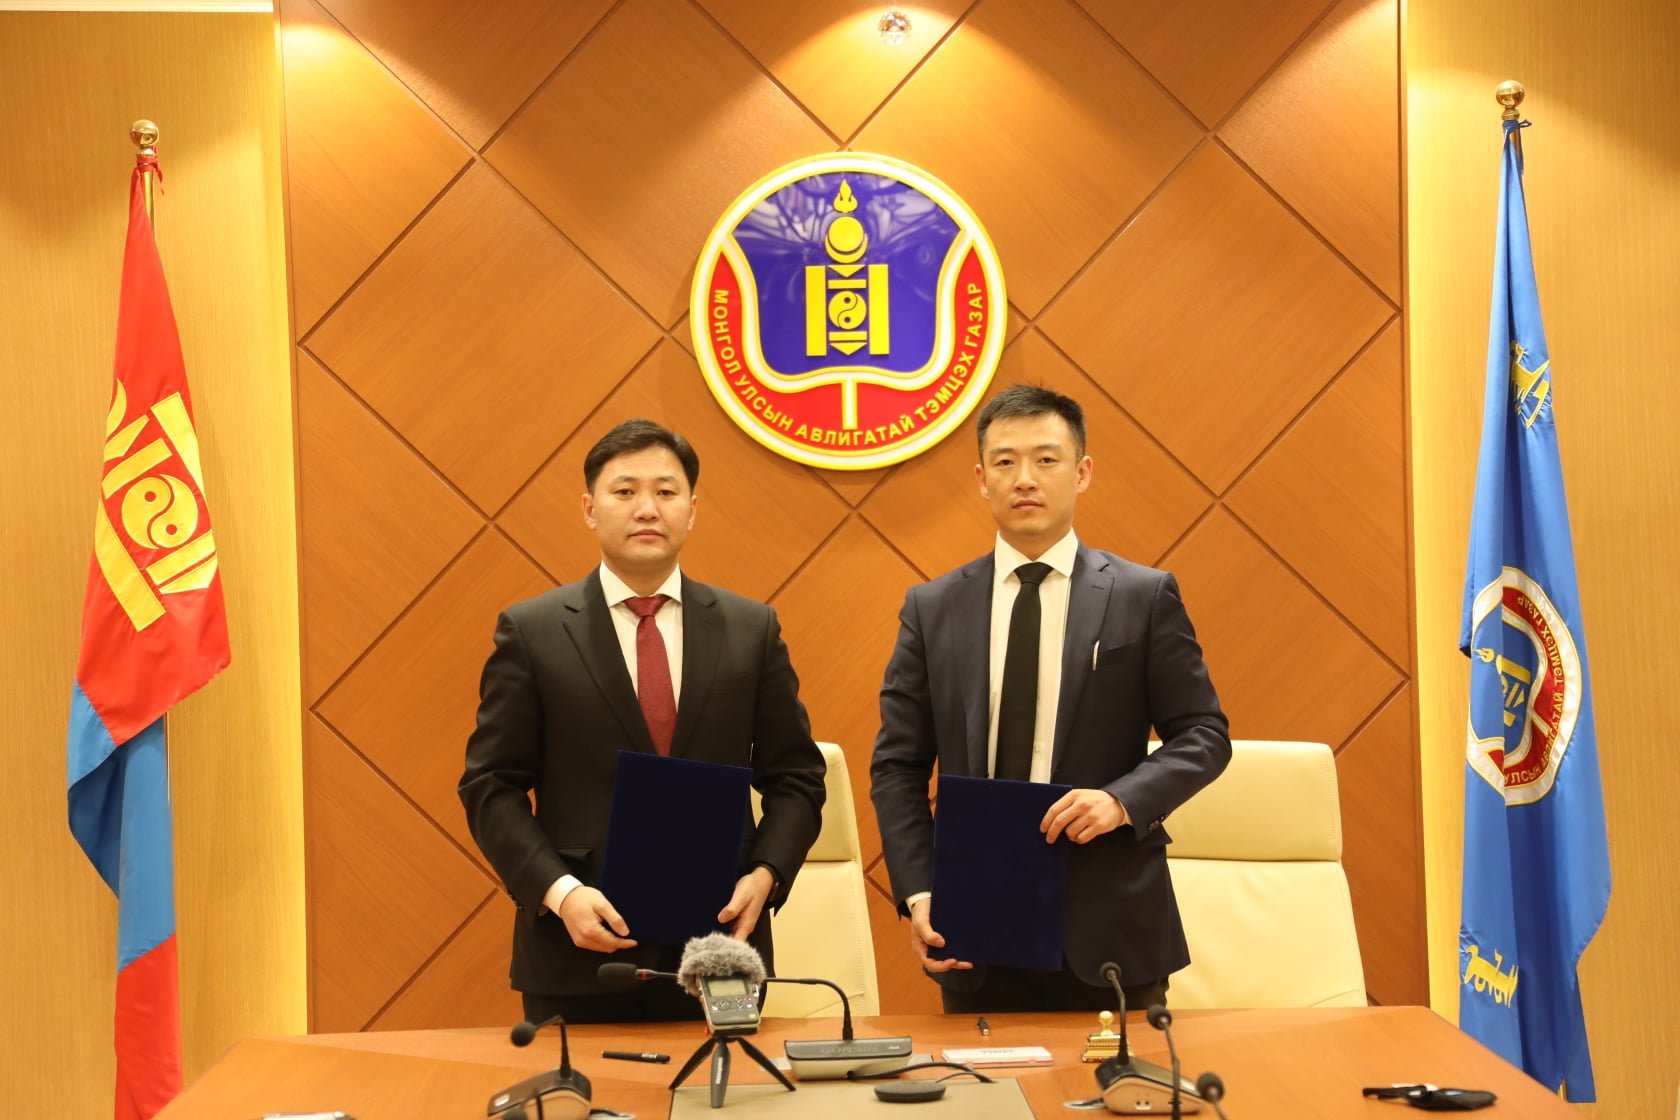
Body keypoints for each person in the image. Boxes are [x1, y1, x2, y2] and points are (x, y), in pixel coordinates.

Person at [869, 384, 1230, 1013]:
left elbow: (1204, 734)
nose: (1025, 479)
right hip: (974, 925)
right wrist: (920, 890)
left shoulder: (1142, 596)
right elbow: (898, 766)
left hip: (1110, 922)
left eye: (1046, 459)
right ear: (981, 480)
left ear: (1082, 472)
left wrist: (1121, 801)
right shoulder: (933, 608)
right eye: (1005, 462)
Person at [459, 419, 826, 1024]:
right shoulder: (533, 631)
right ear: (590, 508)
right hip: (579, 951)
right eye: (625, 491)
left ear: (692, 509)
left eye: (666, 491)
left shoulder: (750, 629)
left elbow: (797, 778)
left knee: (729, 1087)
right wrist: (561, 894)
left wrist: (766, 874)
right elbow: (490, 785)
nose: (647, 508)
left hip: (721, 948)